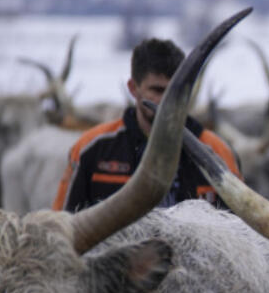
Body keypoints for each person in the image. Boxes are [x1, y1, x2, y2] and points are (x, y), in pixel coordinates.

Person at [54, 37, 241, 212]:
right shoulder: (91, 149)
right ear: (133, 88)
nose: (167, 101)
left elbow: (241, 233)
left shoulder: (218, 153)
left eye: (176, 90)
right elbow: (61, 226)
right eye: (157, 90)